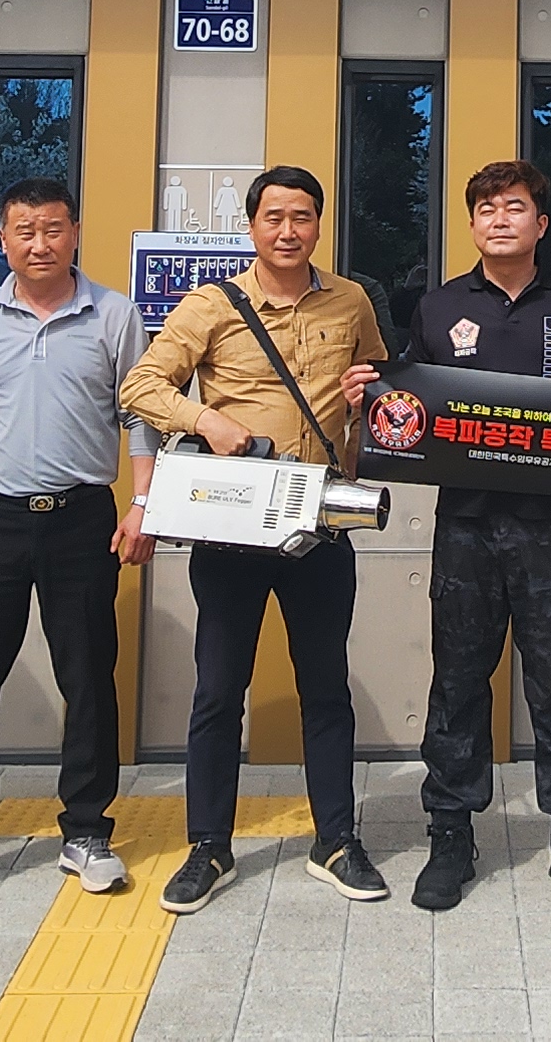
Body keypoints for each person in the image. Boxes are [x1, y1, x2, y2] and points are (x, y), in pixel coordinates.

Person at [346, 159, 551, 913]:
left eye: (514, 207)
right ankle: (451, 832)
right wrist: (367, 394)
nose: (499, 219)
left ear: (541, 223)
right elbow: (411, 402)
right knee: (457, 683)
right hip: (467, 530)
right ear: (471, 225)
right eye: (485, 209)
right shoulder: (439, 306)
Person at [118, 164, 390, 914]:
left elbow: (380, 388)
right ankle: (208, 845)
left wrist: (368, 400)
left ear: (318, 225)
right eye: (274, 217)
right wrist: (206, 420)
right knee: (218, 689)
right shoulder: (212, 304)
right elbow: (141, 386)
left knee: (326, 688)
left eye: (302, 216)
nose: (288, 230)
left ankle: (335, 839)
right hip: (233, 526)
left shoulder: (352, 301)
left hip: (319, 523)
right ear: (251, 226)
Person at [0, 177, 154, 910]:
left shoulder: (115, 315)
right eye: (24, 231)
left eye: (52, 229)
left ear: (75, 232)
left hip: (82, 517)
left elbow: (139, 418)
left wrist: (142, 505)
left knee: (89, 677)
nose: (39, 244)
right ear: (3, 239)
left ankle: (87, 831)